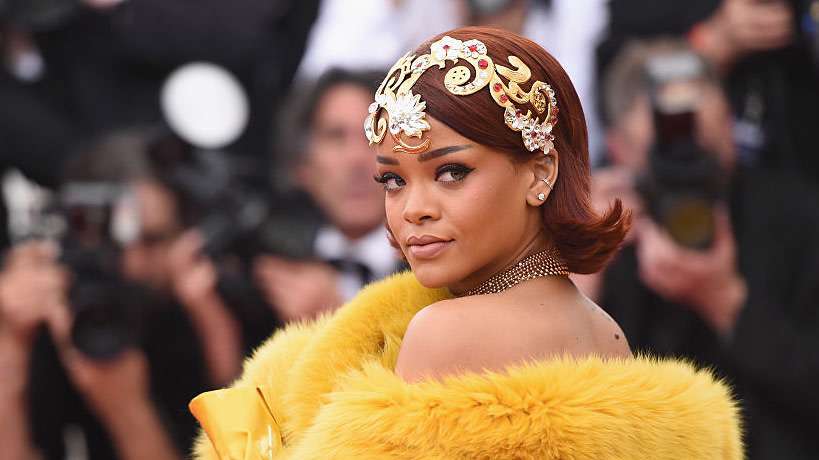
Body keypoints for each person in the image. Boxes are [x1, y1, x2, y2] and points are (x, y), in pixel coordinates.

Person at [188, 27, 742, 459]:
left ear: (540, 172)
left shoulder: (447, 330)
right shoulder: (604, 330)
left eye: (451, 172)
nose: (414, 208)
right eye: (393, 179)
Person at [586, 38, 819, 459]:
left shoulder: (799, 218)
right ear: (619, 149)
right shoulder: (601, 229)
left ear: (729, 124)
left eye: (700, 150)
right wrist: (581, 270)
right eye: (667, 153)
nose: (687, 166)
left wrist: (726, 302)